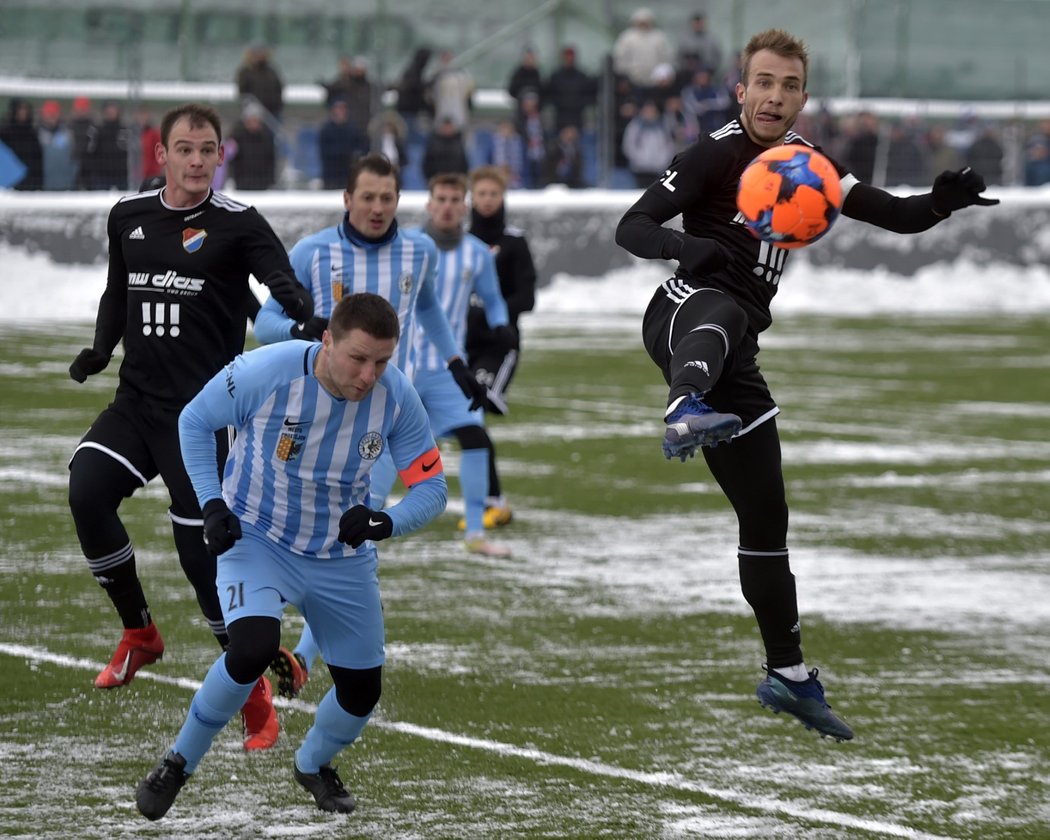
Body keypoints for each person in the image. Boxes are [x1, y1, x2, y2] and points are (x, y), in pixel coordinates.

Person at [614, 28, 998, 742]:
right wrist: (682, 243)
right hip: (682, 315)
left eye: (788, 86)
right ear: (741, 90)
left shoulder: (812, 166)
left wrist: (940, 201)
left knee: (767, 520)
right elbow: (630, 226)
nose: (774, 96)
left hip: (738, 356)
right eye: (763, 82)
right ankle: (681, 407)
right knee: (724, 305)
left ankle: (787, 677)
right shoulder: (714, 151)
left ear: (802, 97)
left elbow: (897, 214)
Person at [135, 292, 448, 820]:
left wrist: (385, 521)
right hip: (257, 540)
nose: (370, 375)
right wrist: (211, 504)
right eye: (358, 358)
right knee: (252, 647)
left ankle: (312, 764)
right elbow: (193, 421)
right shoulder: (268, 370)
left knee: (361, 690)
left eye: (382, 361)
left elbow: (432, 486)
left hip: (340, 557)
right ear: (327, 340)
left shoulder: (396, 397)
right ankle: (176, 763)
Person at [66, 103, 313, 754]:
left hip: (203, 418)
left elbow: (280, 281)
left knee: (202, 559)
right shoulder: (129, 217)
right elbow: (118, 293)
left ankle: (249, 682)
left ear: (220, 156)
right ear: (162, 156)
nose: (197, 160)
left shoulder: (240, 225)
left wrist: (308, 318)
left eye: (208, 149)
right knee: (86, 492)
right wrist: (99, 348)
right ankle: (140, 633)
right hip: (136, 403)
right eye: (185, 149)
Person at [252, 152, 486, 698]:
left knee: (355, 527)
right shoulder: (313, 253)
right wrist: (300, 325)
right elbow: (264, 322)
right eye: (368, 197)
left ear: (399, 201)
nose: (378, 207)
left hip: (376, 421)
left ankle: (303, 656)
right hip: (307, 419)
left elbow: (427, 309)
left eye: (387, 197)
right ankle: (255, 625)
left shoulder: (418, 250)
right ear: (347, 199)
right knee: (293, 529)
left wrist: (457, 366)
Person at [415, 173, 514, 556]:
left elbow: (493, 298)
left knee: (475, 437)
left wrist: (501, 324)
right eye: (441, 198)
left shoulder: (476, 252)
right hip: (399, 367)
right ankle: (362, 529)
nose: (448, 206)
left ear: (465, 207)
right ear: (429, 204)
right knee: (382, 447)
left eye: (456, 199)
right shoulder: (409, 247)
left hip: (450, 368)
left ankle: (475, 532)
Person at [466, 165, 537, 528]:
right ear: (472, 198)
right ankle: (490, 501)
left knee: (474, 407)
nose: (488, 200)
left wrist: (489, 312)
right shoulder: (459, 242)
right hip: (459, 349)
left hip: (499, 346)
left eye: (494, 194)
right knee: (467, 420)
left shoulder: (514, 242)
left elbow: (527, 297)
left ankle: (491, 501)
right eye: (481, 194)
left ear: (502, 197)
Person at [0, 98, 43, 190]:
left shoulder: (33, 134)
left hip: (30, 185)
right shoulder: (4, 133)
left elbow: (38, 161)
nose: (22, 112)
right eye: (20, 109)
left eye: (25, 109)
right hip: (8, 186)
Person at [235, 45, 284, 122]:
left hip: (273, 110)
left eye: (261, 53)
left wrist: (278, 104)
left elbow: (279, 87)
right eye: (256, 53)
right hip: (254, 112)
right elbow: (243, 92)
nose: (259, 56)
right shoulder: (245, 72)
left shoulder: (271, 71)